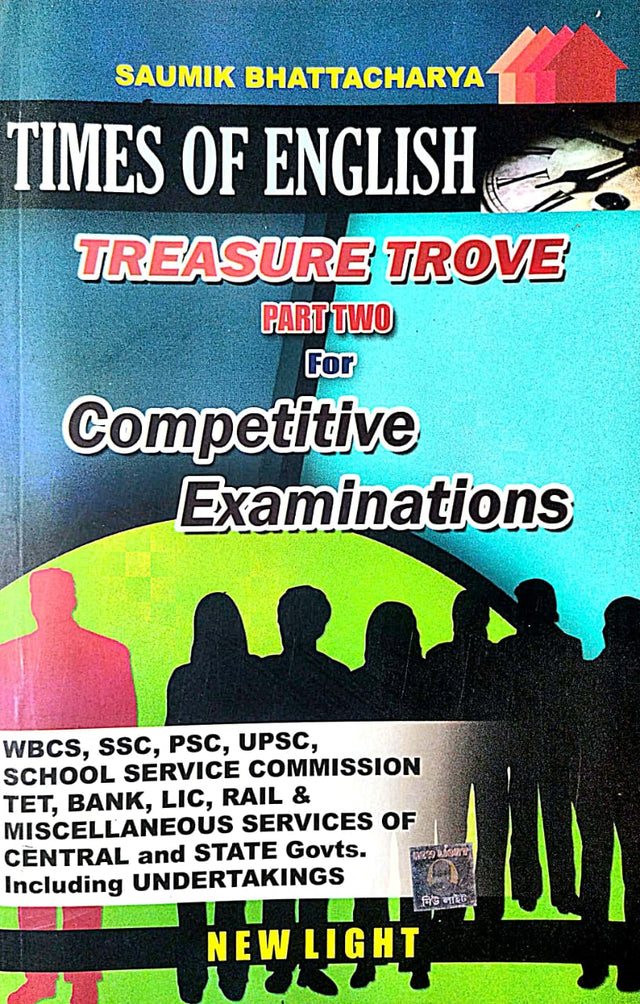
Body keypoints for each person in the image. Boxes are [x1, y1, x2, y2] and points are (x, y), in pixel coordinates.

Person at [0, 568, 137, 1004]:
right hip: (37, 789)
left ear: (70, 601)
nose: (45, 606)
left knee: (75, 887)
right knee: (44, 886)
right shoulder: (10, 655)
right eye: (40, 597)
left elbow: (125, 729)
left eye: (52, 597)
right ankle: (54, 979)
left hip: (81, 789)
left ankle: (75, 981)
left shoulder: (108, 653)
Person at [166, 593, 261, 1003]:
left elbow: (171, 743)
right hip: (244, 802)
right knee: (233, 900)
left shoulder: (183, 679)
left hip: (191, 803)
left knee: (190, 901)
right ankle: (233, 976)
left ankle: (191, 981)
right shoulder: (255, 674)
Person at [261, 587, 351, 996]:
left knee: (292, 886)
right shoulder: (336, 674)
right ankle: (300, 965)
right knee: (305, 887)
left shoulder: (264, 673)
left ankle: (289, 965)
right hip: (303, 798)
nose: (287, 626)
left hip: (297, 798)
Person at [349, 602, 426, 990]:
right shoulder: (427, 680)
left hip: (374, 795)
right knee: (427, 872)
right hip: (420, 792)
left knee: (371, 878)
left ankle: (368, 959)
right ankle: (422, 959)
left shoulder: (356, 682)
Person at [422, 591, 510, 923]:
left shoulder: (440, 656)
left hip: (456, 752)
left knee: (452, 832)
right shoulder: (496, 657)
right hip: (482, 750)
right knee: (488, 831)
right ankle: (483, 909)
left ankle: (452, 908)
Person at [495, 579, 582, 916]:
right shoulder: (569, 647)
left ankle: (527, 889)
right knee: (556, 823)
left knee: (525, 822)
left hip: (525, 746)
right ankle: (562, 892)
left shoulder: (510, 648)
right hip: (554, 747)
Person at [574, 597, 640, 992]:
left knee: (595, 874)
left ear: (607, 630)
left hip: (595, 785)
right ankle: (633, 965)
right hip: (633, 786)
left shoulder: (588, 676)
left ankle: (594, 962)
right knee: (636, 876)